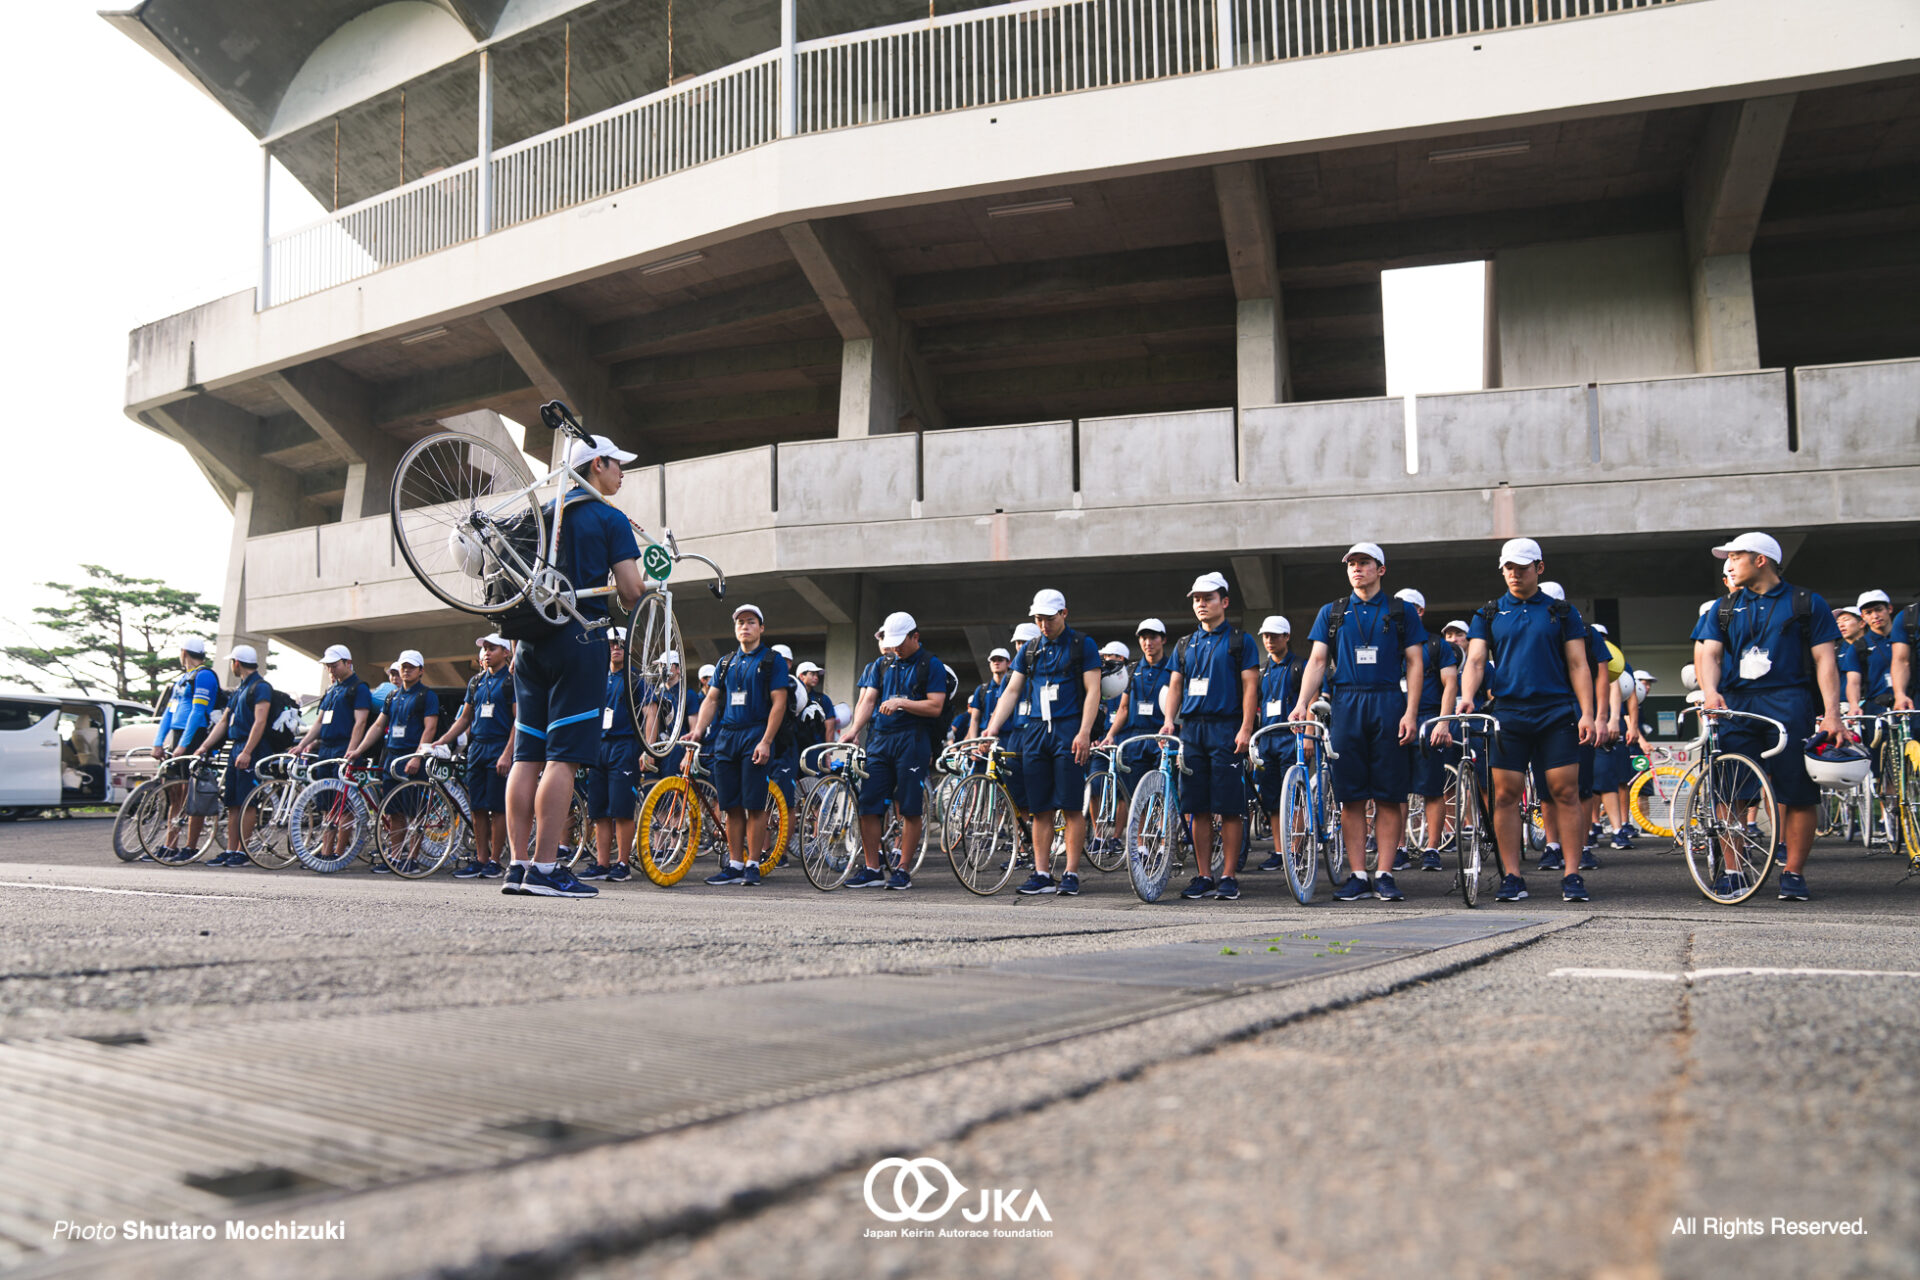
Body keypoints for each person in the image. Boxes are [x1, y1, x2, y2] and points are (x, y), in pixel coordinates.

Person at [503, 433, 645, 900]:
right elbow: (629, 591)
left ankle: (518, 865)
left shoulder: (543, 513)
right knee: (562, 758)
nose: (622, 473)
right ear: (597, 464)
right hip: (579, 639)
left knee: (528, 757)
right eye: (617, 465)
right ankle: (546, 868)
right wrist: (646, 587)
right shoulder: (609, 517)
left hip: (529, 642)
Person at [1691, 532, 1844, 900]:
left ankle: (1793, 873)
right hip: (1736, 704)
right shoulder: (1723, 607)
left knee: (1798, 792)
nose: (1728, 563)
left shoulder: (1806, 602)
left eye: (1736, 556)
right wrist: (1711, 692)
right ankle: (1732, 870)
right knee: (1730, 791)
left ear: (1761, 559)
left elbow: (1825, 660)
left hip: (1789, 701)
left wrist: (1832, 715)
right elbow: (1708, 654)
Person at [1452, 539, 1598, 903]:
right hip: (1508, 713)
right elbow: (1475, 661)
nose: (1514, 574)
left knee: (1565, 791)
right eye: (1508, 568)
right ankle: (1512, 877)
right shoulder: (1488, 614)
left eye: (1522, 567)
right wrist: (1467, 696)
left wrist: (1589, 714)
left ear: (1539, 568)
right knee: (1504, 795)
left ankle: (1572, 875)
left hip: (1555, 711)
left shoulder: (1562, 613)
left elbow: (1580, 665)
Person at [1292, 546, 1425, 903]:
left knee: (1388, 794)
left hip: (1387, 701)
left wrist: (1411, 712)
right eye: (1351, 564)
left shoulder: (1401, 611)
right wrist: (1302, 703)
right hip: (1346, 703)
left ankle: (1384, 873)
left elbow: (1414, 663)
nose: (1357, 569)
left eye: (1364, 563)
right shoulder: (1333, 611)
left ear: (1381, 568)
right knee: (1351, 796)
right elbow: (1318, 660)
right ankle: (1358, 874)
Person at [985, 590, 1100, 896]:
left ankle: (1072, 873)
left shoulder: (1082, 645)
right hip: (1035, 732)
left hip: (1069, 728)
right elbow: (1012, 690)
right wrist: (992, 727)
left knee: (1072, 806)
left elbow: (1093, 690)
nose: (1043, 625)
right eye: (1038, 619)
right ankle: (1041, 873)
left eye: (1049, 618)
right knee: (1040, 808)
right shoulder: (1031, 649)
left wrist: (1084, 731)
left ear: (1064, 614)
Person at [1162, 572, 1260, 901]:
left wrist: (1246, 727)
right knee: (1196, 807)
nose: (1201, 604)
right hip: (1192, 729)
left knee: (1230, 806)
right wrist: (1167, 722)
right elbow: (1175, 685)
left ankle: (1229, 875)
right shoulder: (1184, 644)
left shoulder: (1239, 641)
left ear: (1225, 602)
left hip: (1226, 728)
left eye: (1208, 598)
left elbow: (1250, 686)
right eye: (1196, 599)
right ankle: (1204, 874)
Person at [840, 612, 948, 891]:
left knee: (909, 806)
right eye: (893, 642)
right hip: (879, 740)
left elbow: (936, 706)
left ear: (916, 637)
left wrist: (903, 702)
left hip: (913, 740)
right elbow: (869, 700)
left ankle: (902, 869)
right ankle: (872, 868)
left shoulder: (931, 664)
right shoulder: (882, 664)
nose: (897, 648)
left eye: (902, 642)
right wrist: (854, 729)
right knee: (868, 805)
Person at [689, 605, 790, 888]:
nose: (744, 627)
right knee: (731, 805)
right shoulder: (725, 662)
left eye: (751, 622)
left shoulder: (773, 660)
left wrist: (766, 740)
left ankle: (753, 864)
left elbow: (779, 702)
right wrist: (697, 731)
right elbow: (711, 700)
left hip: (755, 733)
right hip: (727, 736)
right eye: (740, 623)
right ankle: (734, 864)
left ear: (761, 628)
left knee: (754, 805)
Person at [349, 649, 440, 873]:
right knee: (393, 811)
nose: (406, 670)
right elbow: (379, 725)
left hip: (412, 757)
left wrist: (419, 756)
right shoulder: (392, 695)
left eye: (411, 666)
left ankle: (413, 858)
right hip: (392, 757)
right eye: (403, 666)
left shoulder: (427, 695)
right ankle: (395, 857)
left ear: (421, 671)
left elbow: (430, 727)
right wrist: (358, 749)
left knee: (414, 811)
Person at [433, 635, 514, 880]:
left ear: (506, 652)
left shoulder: (511, 682)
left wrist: (507, 754)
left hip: (499, 746)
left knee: (498, 808)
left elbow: (518, 721)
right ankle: (480, 858)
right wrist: (443, 739)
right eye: (485, 649)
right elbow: (465, 718)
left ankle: (494, 860)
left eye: (493, 648)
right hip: (477, 748)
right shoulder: (476, 681)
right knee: (477, 807)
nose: (487, 652)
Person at [189, 645, 274, 868]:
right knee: (233, 802)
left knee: (248, 801)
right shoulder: (240, 689)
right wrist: (204, 746)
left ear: (236, 663)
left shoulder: (260, 686)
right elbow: (224, 722)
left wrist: (247, 751)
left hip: (251, 749)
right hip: (236, 747)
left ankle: (243, 851)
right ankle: (230, 849)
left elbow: (260, 721)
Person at [1395, 588, 1457, 873]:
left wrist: (1443, 722)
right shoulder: (1388, 644)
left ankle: (1432, 847)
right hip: (1394, 721)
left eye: (1407, 607)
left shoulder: (1436, 645)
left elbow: (1450, 686)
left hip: (1428, 720)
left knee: (1432, 789)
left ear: (1419, 611)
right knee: (1394, 791)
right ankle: (1398, 848)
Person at [1098, 618, 1175, 847]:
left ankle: (1162, 844)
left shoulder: (1174, 669)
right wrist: (1111, 734)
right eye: (1143, 637)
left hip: (1162, 738)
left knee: (1162, 794)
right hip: (1135, 739)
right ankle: (1141, 844)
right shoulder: (1131, 670)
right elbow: (1122, 708)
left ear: (1163, 640)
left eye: (1153, 637)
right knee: (1138, 796)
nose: (1148, 642)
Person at [150, 637, 224, 862]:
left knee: (192, 792)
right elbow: (168, 713)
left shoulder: (204, 675)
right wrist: (158, 741)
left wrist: (184, 745)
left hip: (195, 735)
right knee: (175, 793)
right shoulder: (183, 679)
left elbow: (197, 712)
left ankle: (190, 846)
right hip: (177, 734)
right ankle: (170, 844)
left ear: (184, 652)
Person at [573, 628, 638, 883]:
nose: (616, 647)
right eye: (611, 643)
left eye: (621, 644)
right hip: (598, 746)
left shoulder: (635, 679)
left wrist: (649, 750)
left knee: (622, 809)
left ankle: (622, 863)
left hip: (625, 745)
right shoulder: (598, 678)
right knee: (599, 809)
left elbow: (651, 712)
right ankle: (602, 863)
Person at [1250, 615, 1305, 874]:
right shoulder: (1261, 670)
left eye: (1275, 635)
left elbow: (1313, 698)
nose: (1269, 640)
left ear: (1287, 637)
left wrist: (1307, 738)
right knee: (1272, 799)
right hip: (1267, 738)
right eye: (1266, 636)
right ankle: (1280, 850)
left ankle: (1296, 847)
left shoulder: (1300, 666)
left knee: (1294, 797)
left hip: (1291, 737)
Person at [295, 645, 372, 762]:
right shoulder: (331, 690)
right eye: (328, 666)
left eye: (335, 666)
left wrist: (350, 751)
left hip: (344, 746)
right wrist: (301, 745)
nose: (331, 670)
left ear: (348, 663)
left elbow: (360, 722)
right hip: (325, 748)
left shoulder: (359, 688)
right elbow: (319, 722)